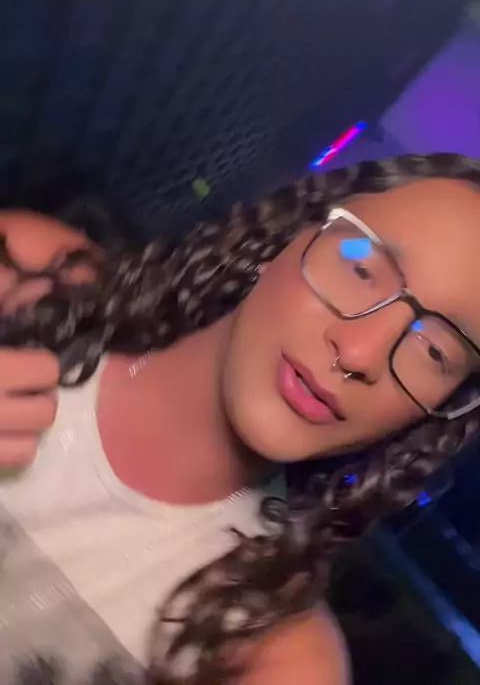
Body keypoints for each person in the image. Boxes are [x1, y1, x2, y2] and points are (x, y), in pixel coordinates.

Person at [1, 152, 480, 685]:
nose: (360, 353)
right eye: (361, 268)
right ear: (290, 235)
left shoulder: (276, 660)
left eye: (434, 351)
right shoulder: (28, 280)